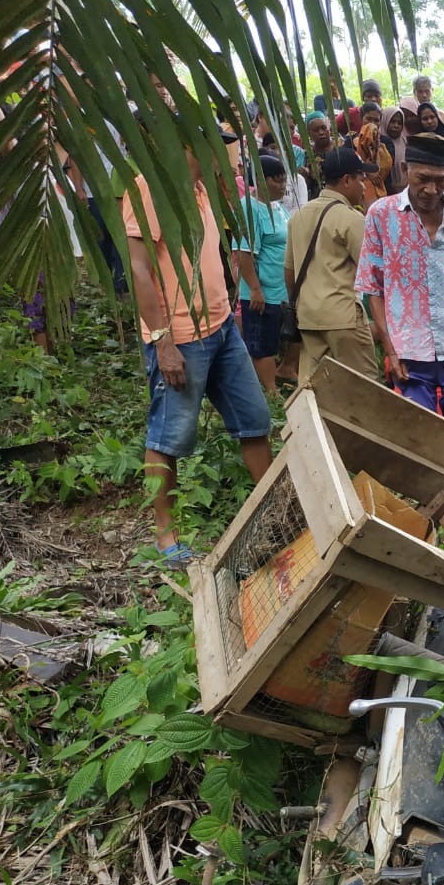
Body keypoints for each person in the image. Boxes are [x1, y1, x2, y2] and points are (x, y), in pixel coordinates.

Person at [125, 127, 272, 564]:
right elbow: (138, 269)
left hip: (222, 326)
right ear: (191, 144)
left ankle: (275, 512)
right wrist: (161, 340)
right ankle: (166, 538)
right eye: (218, 146)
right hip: (180, 336)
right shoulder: (150, 187)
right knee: (170, 435)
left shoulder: (203, 189)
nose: (226, 155)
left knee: (255, 419)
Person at [356, 133, 444, 427]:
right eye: (423, 179)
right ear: (406, 170)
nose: (431, 189)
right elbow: (373, 289)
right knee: (420, 440)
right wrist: (390, 350)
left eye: (441, 180)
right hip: (408, 351)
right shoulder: (381, 215)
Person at [285, 147, 382, 382]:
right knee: (363, 389)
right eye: (362, 179)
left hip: (308, 316)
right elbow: (373, 273)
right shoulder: (351, 219)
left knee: (315, 390)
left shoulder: (298, 216)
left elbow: (289, 272)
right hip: (343, 316)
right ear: (347, 180)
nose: (364, 187)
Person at [233, 154, 291, 394]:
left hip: (280, 290)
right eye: (277, 180)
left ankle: (280, 377)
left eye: (284, 180)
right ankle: (270, 392)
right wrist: (255, 289)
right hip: (261, 292)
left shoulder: (278, 208)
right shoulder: (249, 207)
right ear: (262, 180)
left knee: (280, 338)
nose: (282, 186)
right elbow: (245, 252)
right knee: (261, 344)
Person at [351, 113, 393, 209]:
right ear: (361, 119)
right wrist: (365, 168)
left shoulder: (384, 146)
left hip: (380, 193)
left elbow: (386, 167)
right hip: (358, 194)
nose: (372, 123)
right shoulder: (351, 142)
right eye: (368, 119)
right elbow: (348, 166)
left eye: (376, 120)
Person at [380, 105, 407, 194]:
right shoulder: (378, 143)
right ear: (384, 121)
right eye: (392, 121)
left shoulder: (406, 142)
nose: (396, 126)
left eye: (399, 123)